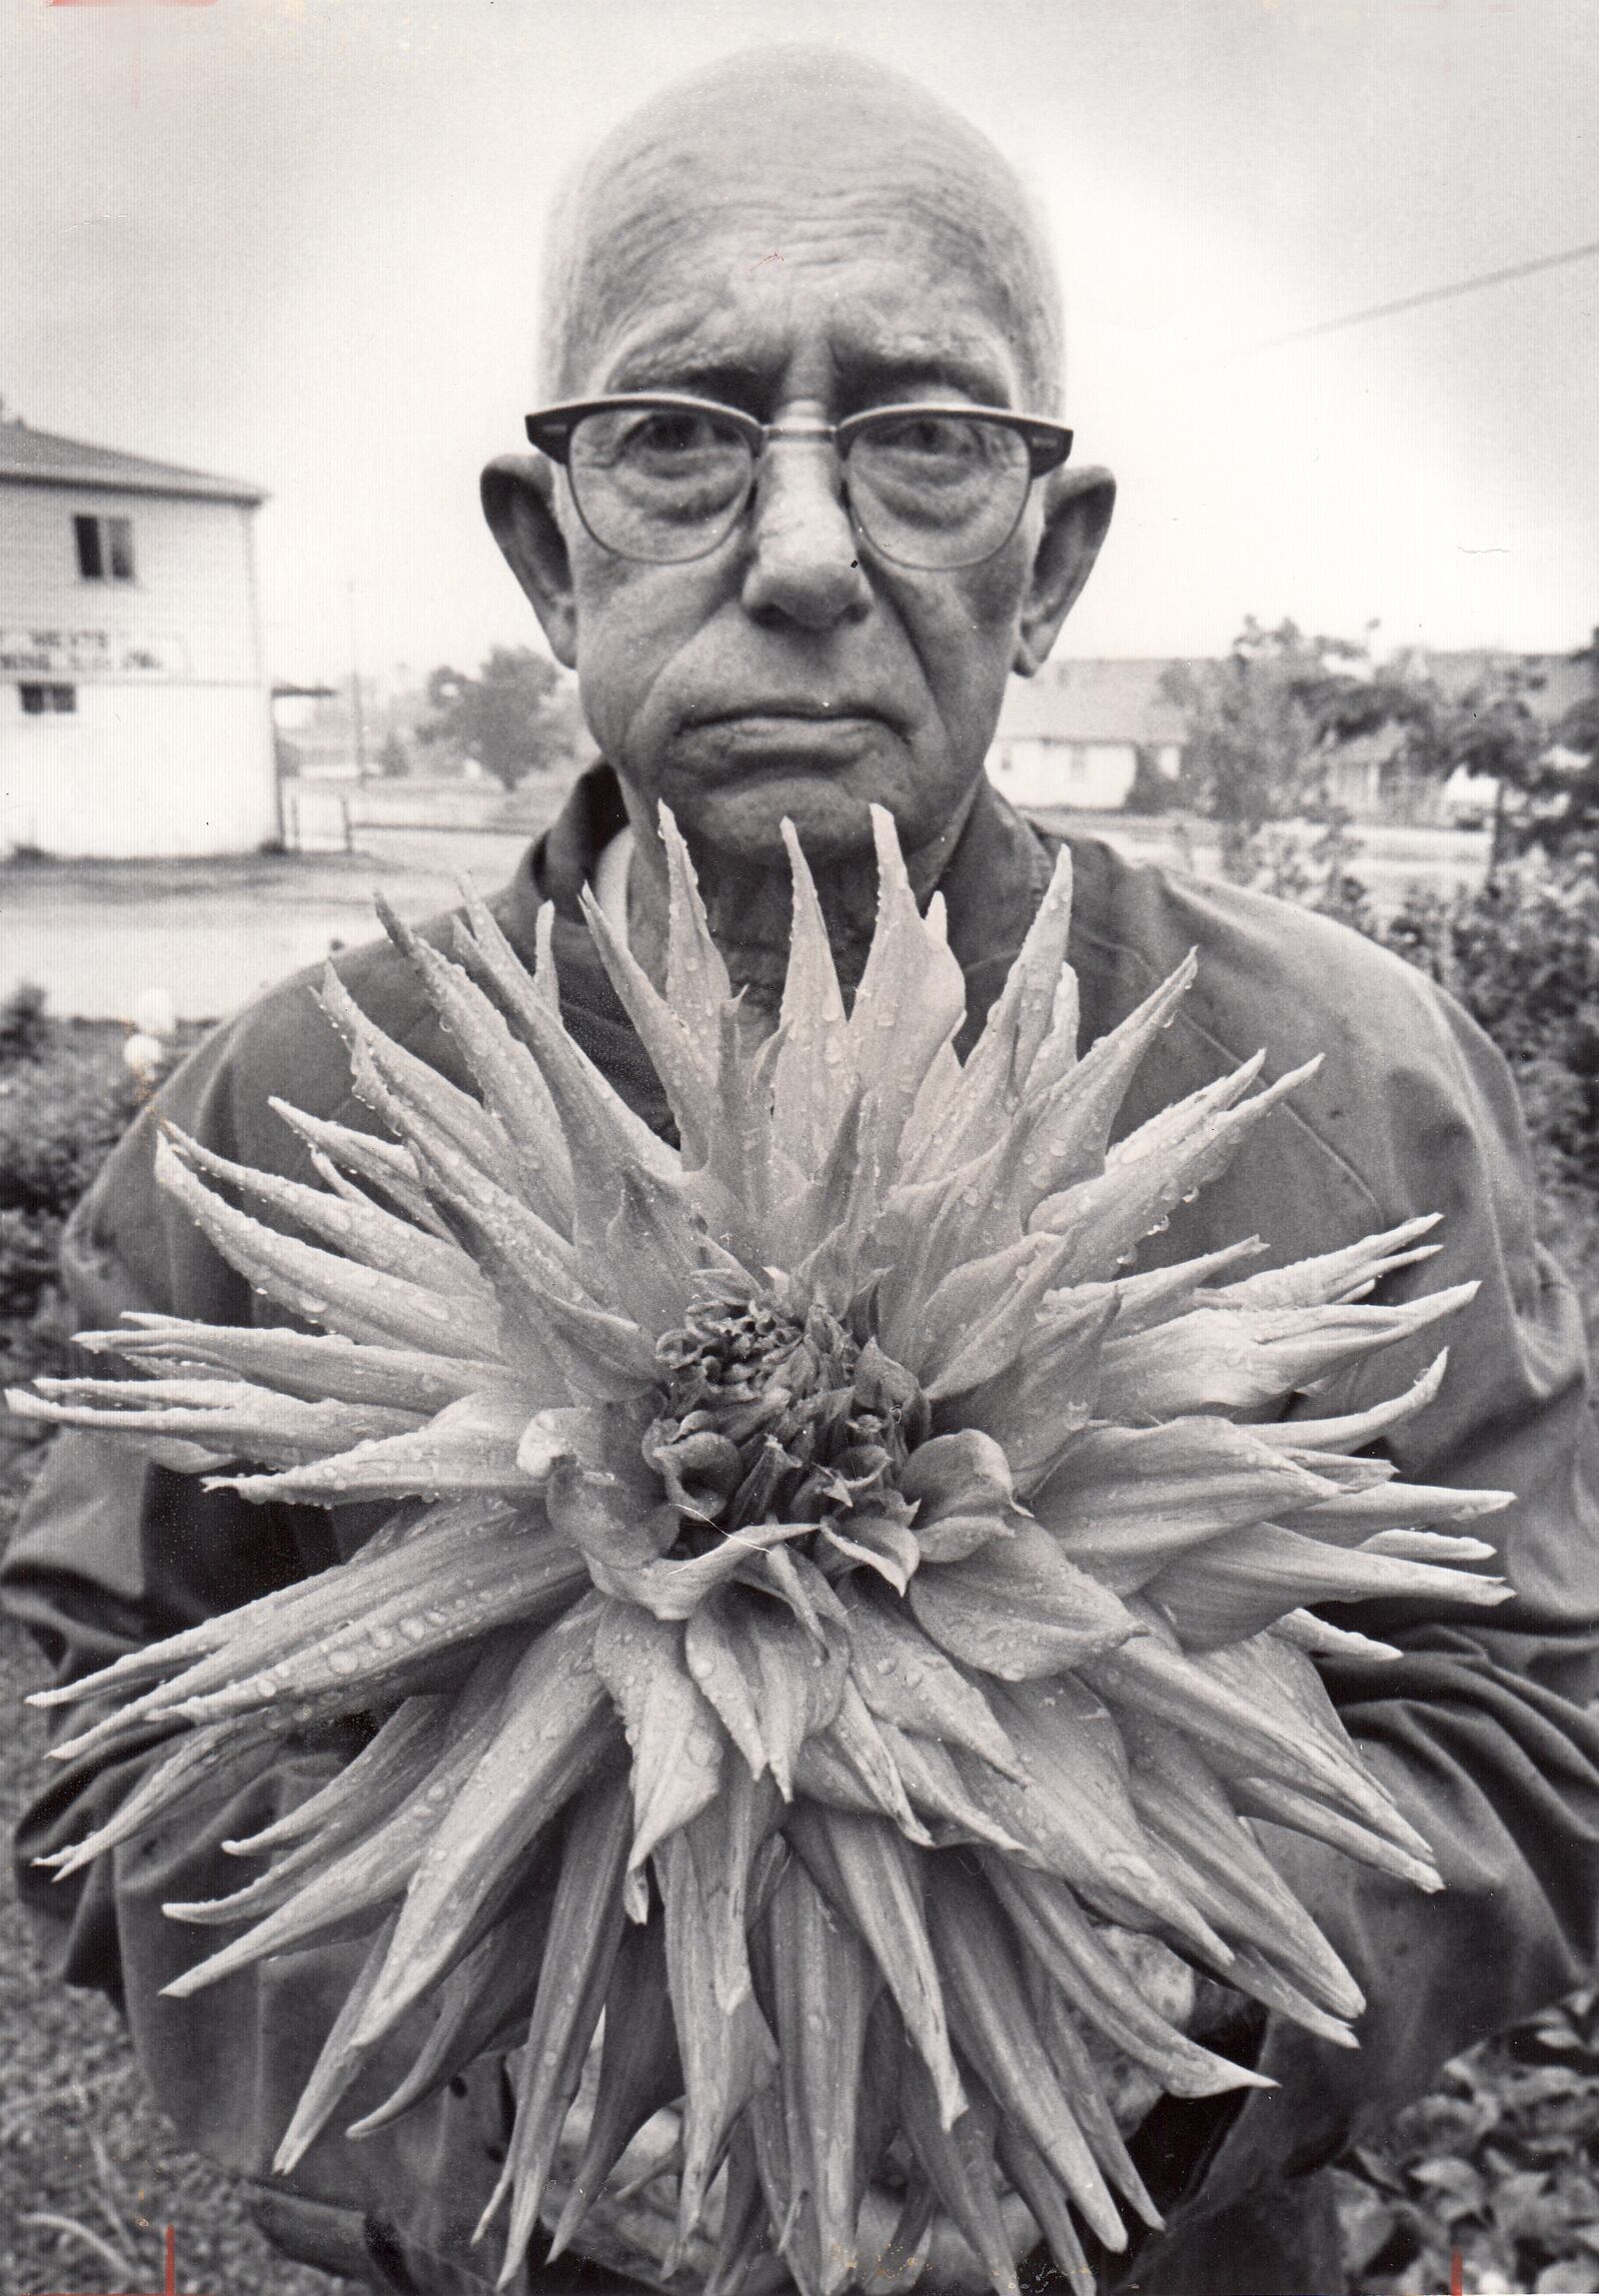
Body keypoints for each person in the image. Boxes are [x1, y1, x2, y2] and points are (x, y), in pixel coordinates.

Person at [6, 46, 1599, 2296]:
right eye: (672, 435)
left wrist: (1152, 2049)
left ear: (1044, 562)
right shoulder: (288, 1113)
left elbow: (1536, 1722)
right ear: (548, 547)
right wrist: (491, 2120)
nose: (800, 553)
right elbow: (100, 1736)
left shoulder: (1346, 1081)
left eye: (926, 439)